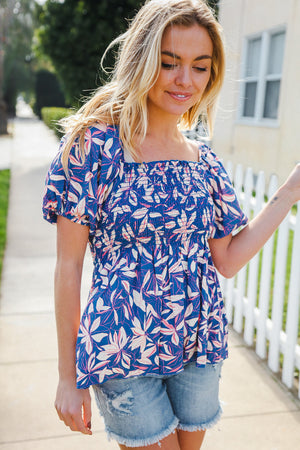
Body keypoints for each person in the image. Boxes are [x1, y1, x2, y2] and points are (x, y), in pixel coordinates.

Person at [42, 1, 300, 449]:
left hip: (197, 344)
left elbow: (229, 259)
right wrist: (69, 376)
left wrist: (290, 192)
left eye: (200, 67)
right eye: (169, 63)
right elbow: (69, 266)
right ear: (143, 61)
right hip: (123, 344)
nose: (185, 80)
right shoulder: (93, 146)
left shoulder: (204, 162)